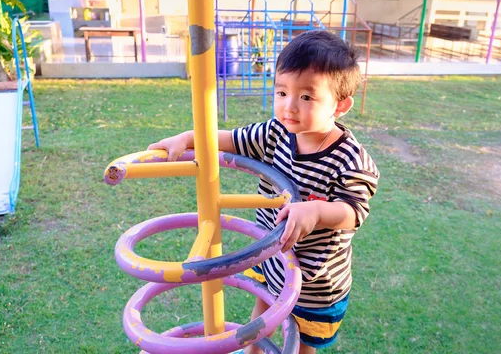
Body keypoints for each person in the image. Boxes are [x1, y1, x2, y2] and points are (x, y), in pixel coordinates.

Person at [148, 30, 379, 353]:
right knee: (259, 323)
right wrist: (188, 137)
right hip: (272, 257)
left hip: (316, 283)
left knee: (299, 344)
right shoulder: (276, 133)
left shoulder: (351, 160)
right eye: (282, 92)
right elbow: (230, 139)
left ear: (341, 105)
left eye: (306, 97)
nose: (289, 107)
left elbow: (353, 212)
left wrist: (314, 211)